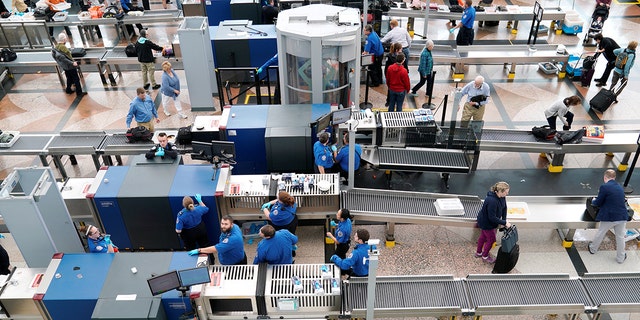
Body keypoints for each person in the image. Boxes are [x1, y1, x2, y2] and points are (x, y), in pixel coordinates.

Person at [588, 169, 628, 264]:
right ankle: (620, 258)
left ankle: (593, 249)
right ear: (614, 178)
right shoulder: (620, 187)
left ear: (605, 177)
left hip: (610, 216)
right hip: (622, 216)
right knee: (620, 237)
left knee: (601, 232)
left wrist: (592, 201)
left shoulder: (604, 187)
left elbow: (598, 202)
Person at [475, 181, 511, 264]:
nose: (507, 194)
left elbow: (504, 208)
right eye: (506, 192)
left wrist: (503, 220)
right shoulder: (492, 201)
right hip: (486, 223)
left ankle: (479, 252)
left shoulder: (502, 197)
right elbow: (492, 218)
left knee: (483, 237)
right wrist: (505, 222)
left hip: (488, 221)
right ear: (500, 191)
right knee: (491, 240)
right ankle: (485, 256)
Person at [51, 33, 85, 97]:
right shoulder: (63, 47)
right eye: (66, 38)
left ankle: (68, 89)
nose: (66, 39)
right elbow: (65, 58)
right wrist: (72, 63)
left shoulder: (57, 46)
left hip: (65, 66)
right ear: (64, 39)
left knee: (69, 78)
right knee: (76, 79)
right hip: (70, 66)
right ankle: (79, 93)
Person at [384, 42, 403, 107]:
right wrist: (387, 76)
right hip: (392, 75)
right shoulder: (389, 56)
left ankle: (396, 101)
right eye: (400, 49)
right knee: (390, 89)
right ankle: (388, 101)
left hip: (398, 76)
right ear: (397, 50)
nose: (401, 50)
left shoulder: (401, 56)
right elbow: (386, 68)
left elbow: (404, 65)